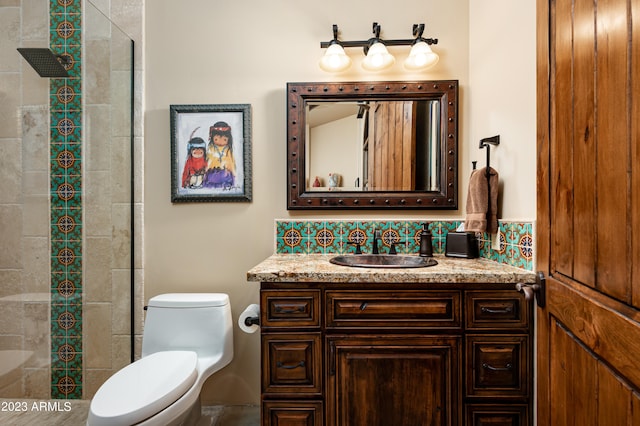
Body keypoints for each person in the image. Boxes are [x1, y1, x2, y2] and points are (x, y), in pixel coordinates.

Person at [203, 121, 235, 189]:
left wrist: (233, 172)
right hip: (212, 173)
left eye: (224, 139)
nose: (220, 141)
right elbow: (208, 161)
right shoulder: (211, 148)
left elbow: (231, 162)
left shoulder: (228, 150)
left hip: (225, 173)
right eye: (217, 139)